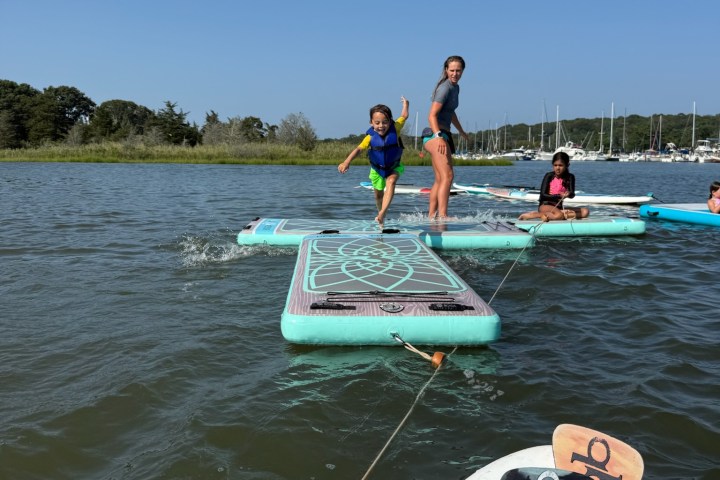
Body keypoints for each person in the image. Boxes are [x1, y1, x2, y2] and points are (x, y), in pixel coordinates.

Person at [338, 97, 409, 226]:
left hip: (394, 166)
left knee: (391, 181)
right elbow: (358, 149)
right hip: (377, 169)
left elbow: (404, 115)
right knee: (378, 196)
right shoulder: (370, 137)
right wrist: (346, 162)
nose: (381, 126)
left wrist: (406, 104)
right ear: (371, 123)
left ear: (390, 121)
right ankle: (381, 215)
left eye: (385, 122)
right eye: (377, 123)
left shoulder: (396, 127)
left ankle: (382, 213)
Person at [422, 55, 469, 220]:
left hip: (442, 134)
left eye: (458, 70)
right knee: (448, 176)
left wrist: (461, 131)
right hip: (435, 134)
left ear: (463, 71)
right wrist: (439, 136)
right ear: (446, 70)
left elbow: (451, 112)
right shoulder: (445, 88)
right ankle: (442, 215)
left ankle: (431, 216)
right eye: (452, 70)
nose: (455, 74)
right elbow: (431, 115)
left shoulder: (456, 88)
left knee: (440, 178)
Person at [518, 151, 590, 221]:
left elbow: (572, 194)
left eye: (560, 165)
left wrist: (568, 194)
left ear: (567, 165)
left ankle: (553, 215)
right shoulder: (549, 176)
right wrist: (559, 196)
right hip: (545, 205)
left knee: (585, 212)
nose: (557, 168)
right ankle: (535, 215)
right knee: (559, 215)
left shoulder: (570, 177)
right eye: (555, 165)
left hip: (558, 207)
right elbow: (543, 195)